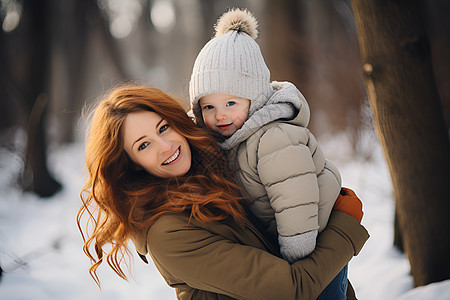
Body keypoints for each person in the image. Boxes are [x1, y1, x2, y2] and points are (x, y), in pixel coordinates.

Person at [78, 85, 369, 299]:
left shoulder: (212, 169)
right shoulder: (167, 234)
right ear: (131, 165)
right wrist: (344, 225)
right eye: (144, 145)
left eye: (163, 128)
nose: (165, 146)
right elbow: (292, 289)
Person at [189, 8, 352, 299]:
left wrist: (295, 260)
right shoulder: (229, 140)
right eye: (208, 107)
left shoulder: (273, 138)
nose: (220, 115)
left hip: (313, 252)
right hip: (284, 247)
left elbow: (296, 201)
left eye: (231, 103)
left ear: (256, 98)